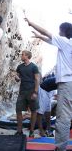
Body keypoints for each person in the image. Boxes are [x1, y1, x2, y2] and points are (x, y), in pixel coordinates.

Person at [24, 17, 72, 151]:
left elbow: (47, 33)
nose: (58, 32)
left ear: (64, 31)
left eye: (60, 30)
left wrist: (31, 22)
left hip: (67, 83)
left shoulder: (66, 42)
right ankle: (60, 145)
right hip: (67, 83)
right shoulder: (66, 43)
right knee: (64, 114)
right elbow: (49, 40)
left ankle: (60, 148)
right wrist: (38, 36)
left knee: (63, 116)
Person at [15, 50, 40, 137]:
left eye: (22, 55)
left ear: (27, 56)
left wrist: (35, 92)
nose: (21, 56)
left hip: (32, 91)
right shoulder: (19, 67)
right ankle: (19, 130)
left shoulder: (34, 67)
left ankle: (32, 131)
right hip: (22, 92)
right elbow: (17, 79)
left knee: (34, 111)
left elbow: (37, 79)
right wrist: (17, 78)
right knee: (18, 110)